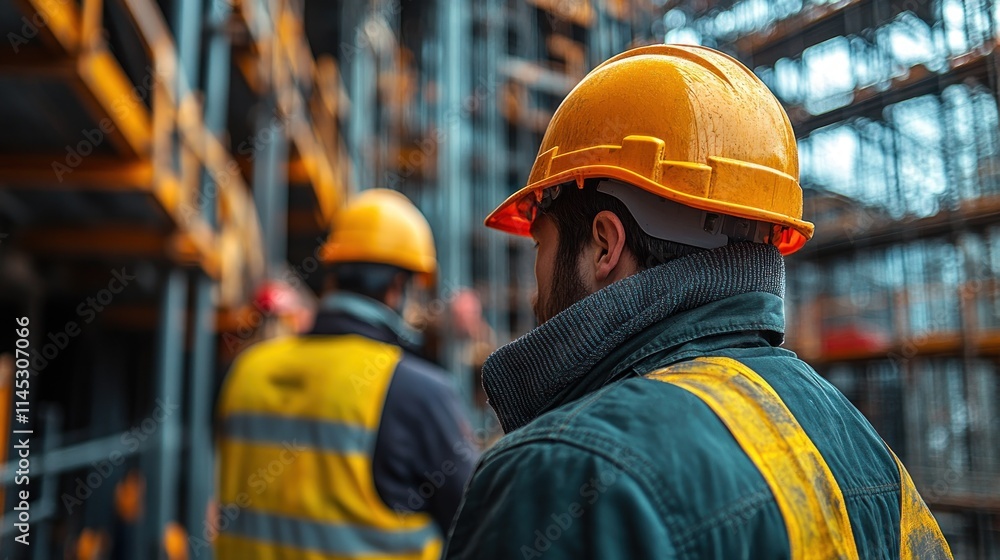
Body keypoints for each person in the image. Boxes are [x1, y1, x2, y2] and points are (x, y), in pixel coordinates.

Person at [444, 45, 952, 559]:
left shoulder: (561, 470)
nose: (534, 290)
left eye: (539, 245)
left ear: (604, 244)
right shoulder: (870, 453)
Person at [216, 189, 477, 559]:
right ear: (398, 287)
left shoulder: (248, 369)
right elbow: (480, 525)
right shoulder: (417, 392)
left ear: (332, 276)